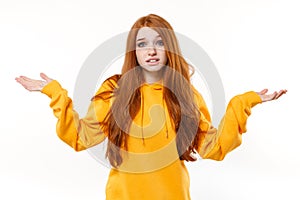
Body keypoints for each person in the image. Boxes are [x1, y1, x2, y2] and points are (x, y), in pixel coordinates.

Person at [15, 14, 287, 200]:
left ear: (170, 49)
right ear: (134, 52)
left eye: (159, 42)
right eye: (142, 44)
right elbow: (79, 136)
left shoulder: (185, 95)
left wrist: (242, 103)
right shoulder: (115, 91)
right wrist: (55, 94)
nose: (151, 50)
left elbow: (212, 147)